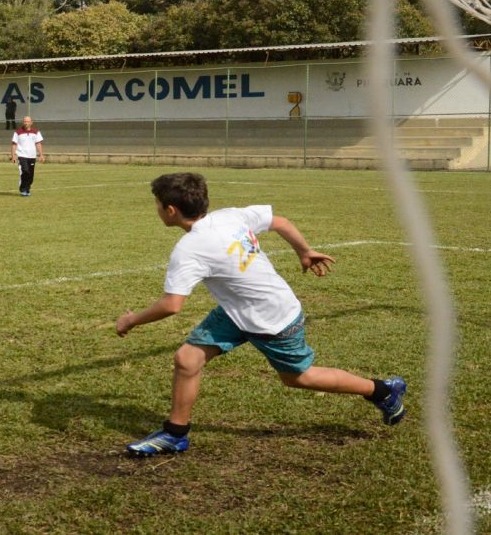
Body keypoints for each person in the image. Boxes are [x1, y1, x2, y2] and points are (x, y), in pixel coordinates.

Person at [116, 172, 407, 457]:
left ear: (170, 210)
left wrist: (131, 320)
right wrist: (304, 251)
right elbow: (279, 222)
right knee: (187, 358)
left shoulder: (189, 249)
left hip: (273, 317)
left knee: (299, 378)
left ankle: (381, 391)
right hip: (237, 311)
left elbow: (171, 305)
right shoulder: (228, 215)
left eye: (157, 204)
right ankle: (174, 434)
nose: (156, 210)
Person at [10, 116, 44, 197]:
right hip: (22, 155)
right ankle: (22, 188)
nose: (26, 123)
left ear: (31, 122)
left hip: (32, 156)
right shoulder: (18, 132)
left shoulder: (36, 132)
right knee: (25, 171)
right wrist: (13, 155)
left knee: (30, 175)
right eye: (25, 121)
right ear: (23, 122)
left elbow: (38, 143)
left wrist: (41, 155)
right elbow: (14, 144)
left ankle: (27, 188)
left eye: (28, 121)